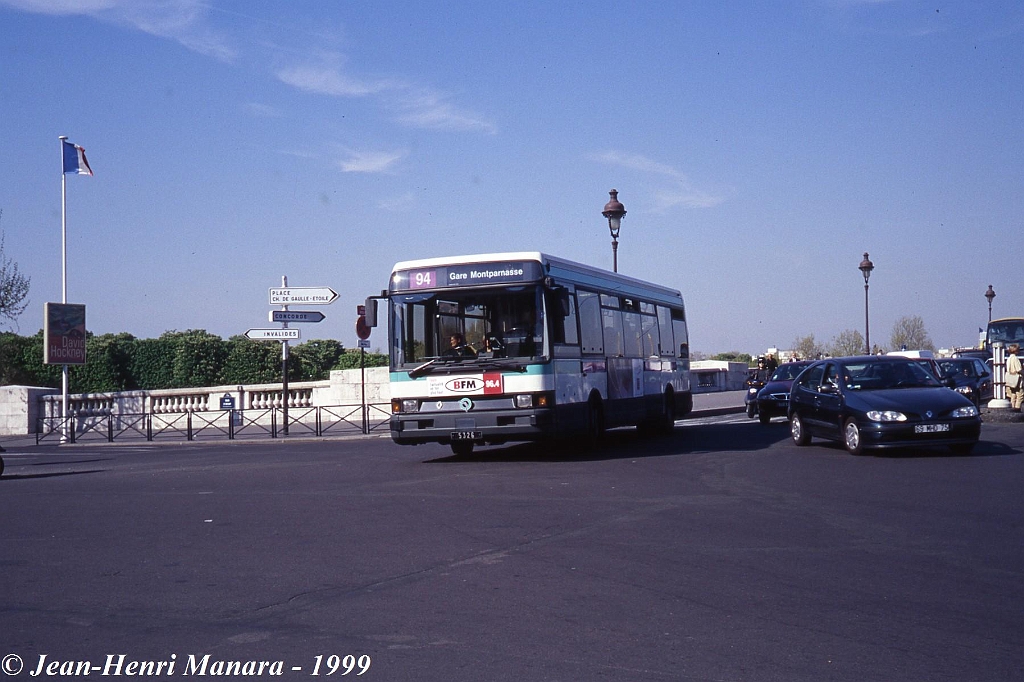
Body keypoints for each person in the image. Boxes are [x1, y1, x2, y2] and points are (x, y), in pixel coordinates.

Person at [1006, 343, 1023, 411]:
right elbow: (1019, 369)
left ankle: (1012, 406)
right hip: (1017, 379)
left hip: (1010, 379)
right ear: (1016, 350)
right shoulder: (1015, 359)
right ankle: (1017, 407)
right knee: (1020, 395)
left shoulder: (1009, 359)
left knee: (1013, 394)